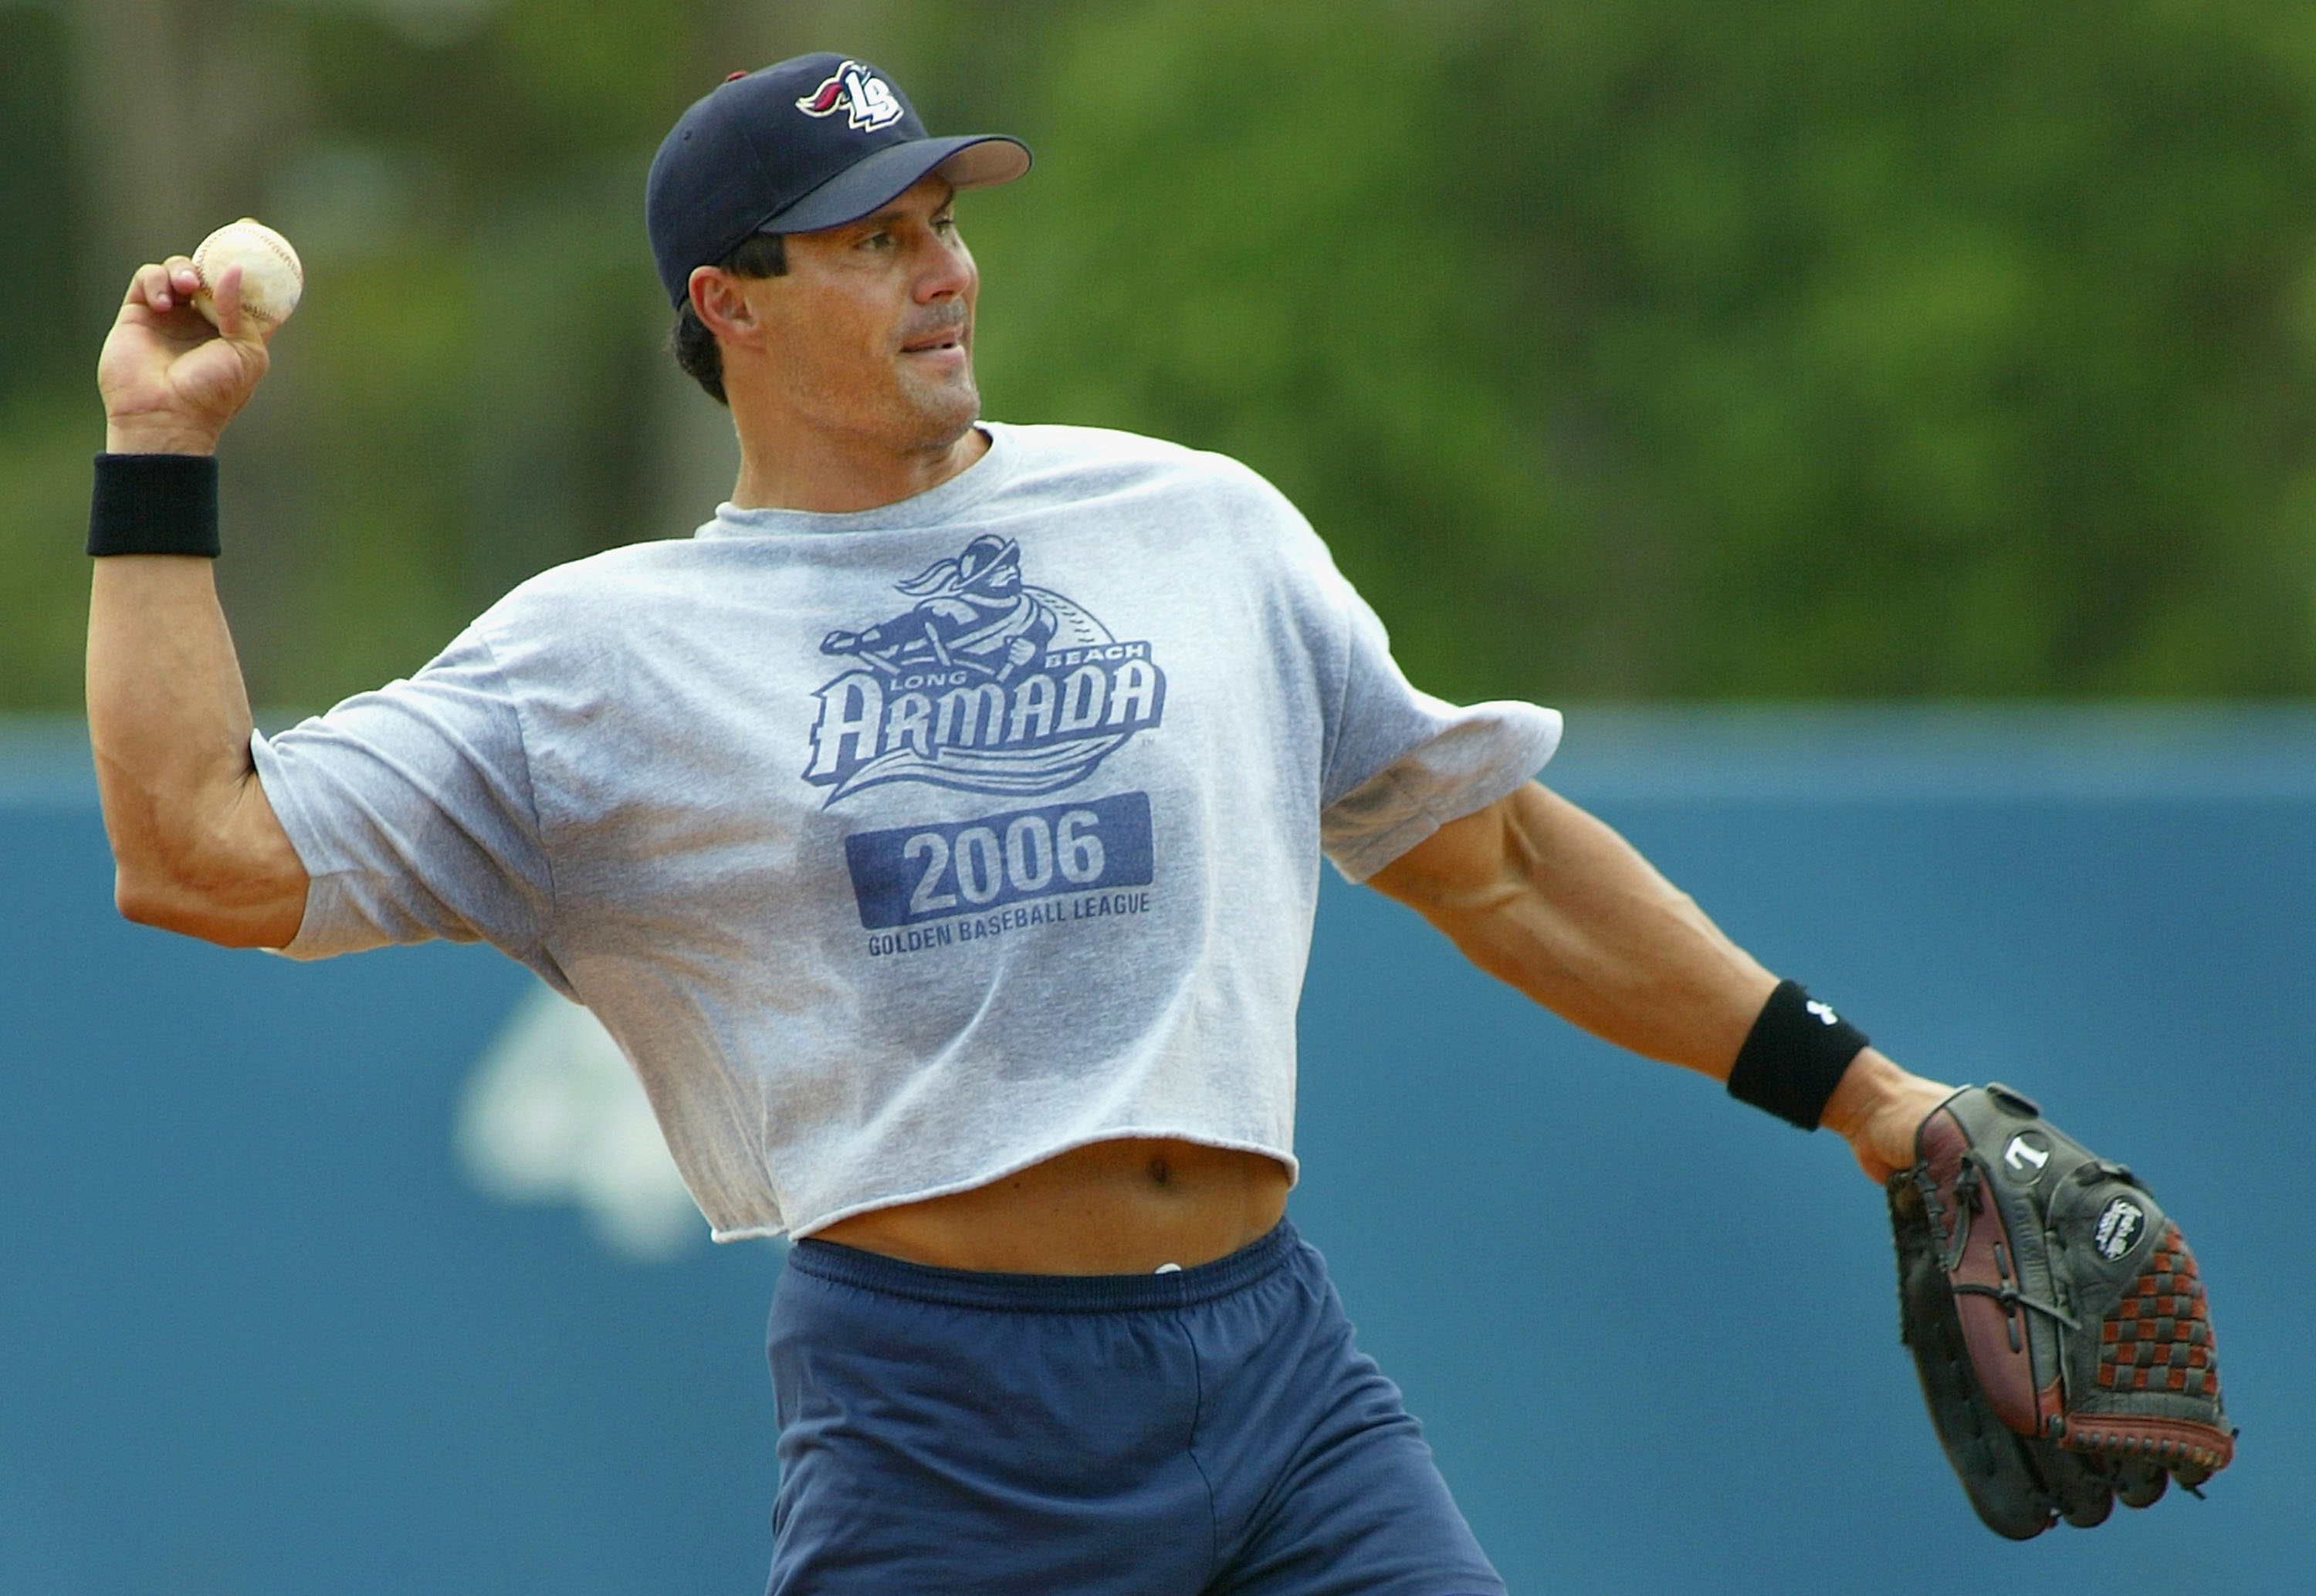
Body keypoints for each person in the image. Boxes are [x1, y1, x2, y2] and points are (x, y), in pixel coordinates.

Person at [87, 52, 1952, 1596]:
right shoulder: (607, 656)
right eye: (873, 240)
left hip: (1276, 1364)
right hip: (949, 1421)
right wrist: (160, 457)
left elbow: (1496, 854)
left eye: (946, 220)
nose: (944, 270)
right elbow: (198, 849)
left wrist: (1871, 1099)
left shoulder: (1193, 523)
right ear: (725, 306)